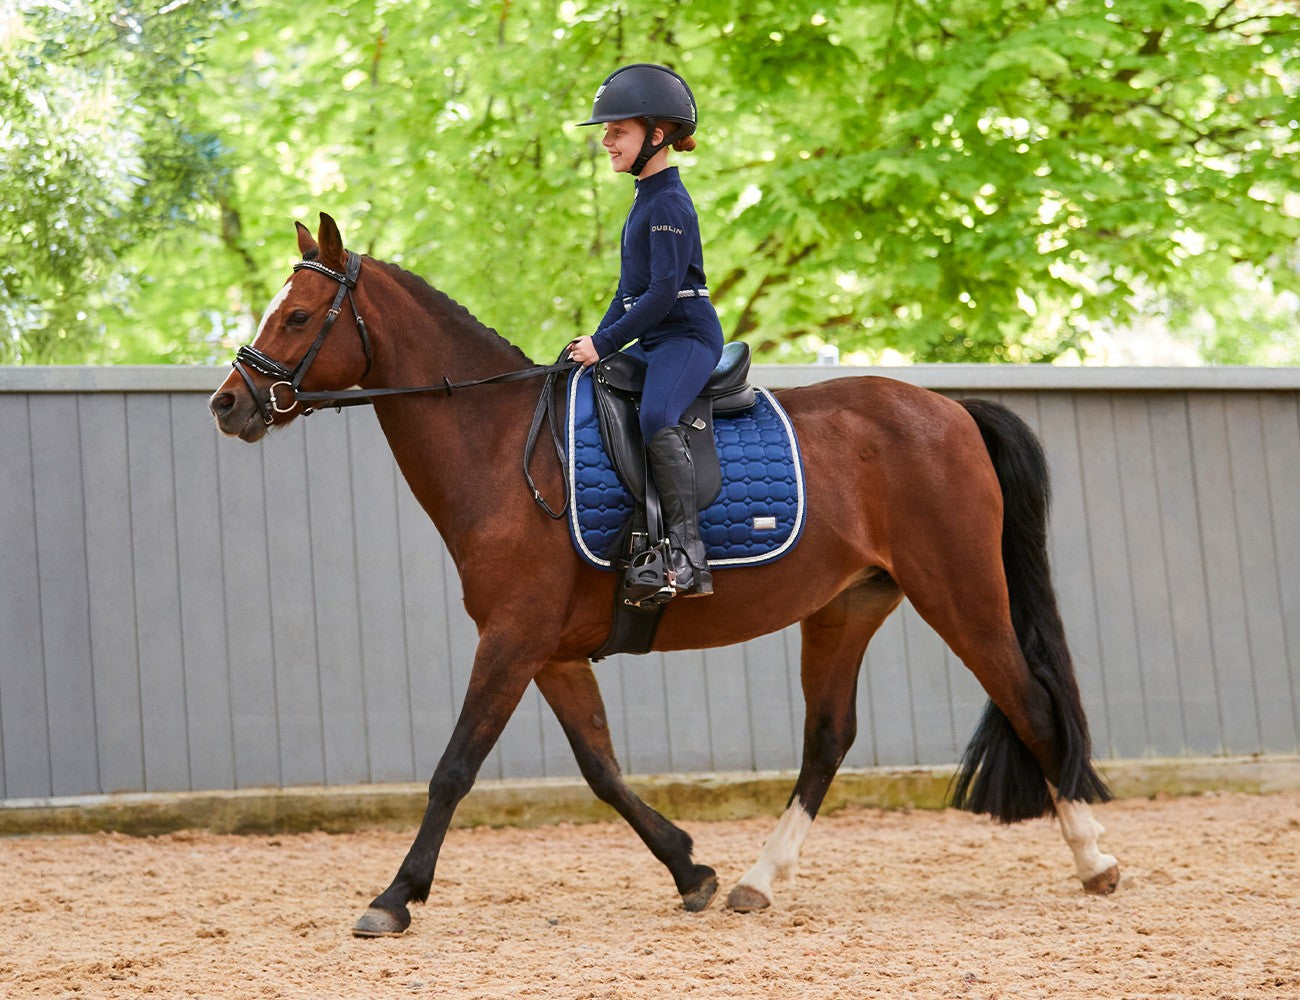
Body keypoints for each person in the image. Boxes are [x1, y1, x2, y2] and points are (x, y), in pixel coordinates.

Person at [568, 63, 724, 598]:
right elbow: (626, 292)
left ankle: (687, 553)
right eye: (607, 133)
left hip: (687, 338)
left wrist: (608, 343)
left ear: (656, 136)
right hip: (657, 336)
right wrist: (590, 343)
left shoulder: (670, 205)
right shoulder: (644, 199)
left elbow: (661, 296)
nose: (607, 142)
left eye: (618, 131)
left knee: (658, 412)